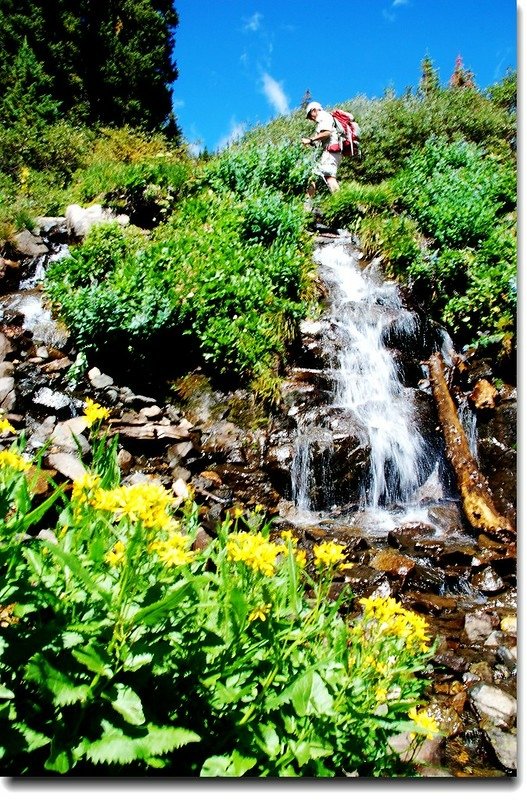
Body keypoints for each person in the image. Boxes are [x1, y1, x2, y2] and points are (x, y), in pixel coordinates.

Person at [301, 101, 342, 197]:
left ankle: (308, 204)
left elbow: (327, 133)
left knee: (321, 176)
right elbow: (321, 139)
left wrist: (310, 140)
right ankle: (340, 200)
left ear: (314, 110)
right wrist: (311, 142)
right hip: (333, 152)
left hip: (330, 152)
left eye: (310, 116)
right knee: (323, 176)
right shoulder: (324, 118)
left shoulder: (324, 116)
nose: (311, 119)